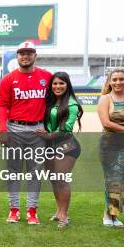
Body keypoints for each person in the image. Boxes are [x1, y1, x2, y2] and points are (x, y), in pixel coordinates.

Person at [0, 41, 52, 224]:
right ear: (17, 56)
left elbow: (55, 105)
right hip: (15, 129)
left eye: (29, 53)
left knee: (35, 172)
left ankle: (32, 211)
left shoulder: (47, 77)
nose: (25, 56)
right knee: (13, 171)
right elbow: (3, 107)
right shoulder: (8, 79)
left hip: (38, 130)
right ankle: (14, 210)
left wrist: (49, 128)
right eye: (22, 53)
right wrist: (3, 130)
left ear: (35, 55)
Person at [37, 72, 83, 228]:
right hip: (49, 147)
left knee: (61, 180)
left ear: (67, 85)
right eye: (55, 83)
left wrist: (48, 136)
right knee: (54, 180)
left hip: (66, 146)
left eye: (61, 83)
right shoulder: (49, 102)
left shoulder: (72, 104)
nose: (58, 86)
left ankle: (64, 215)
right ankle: (59, 211)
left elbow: (67, 129)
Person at [97, 69, 124, 228]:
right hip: (110, 144)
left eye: (121, 79)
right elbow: (106, 123)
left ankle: (114, 214)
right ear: (109, 82)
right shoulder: (105, 99)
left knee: (122, 180)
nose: (118, 82)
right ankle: (108, 215)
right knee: (112, 179)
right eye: (114, 79)